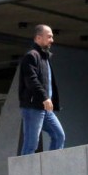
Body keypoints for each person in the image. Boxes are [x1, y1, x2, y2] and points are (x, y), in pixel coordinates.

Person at [18, 24, 65, 155]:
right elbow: (31, 80)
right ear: (38, 38)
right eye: (49, 37)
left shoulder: (45, 58)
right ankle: (25, 174)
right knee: (31, 144)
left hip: (45, 109)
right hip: (33, 107)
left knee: (59, 135)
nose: (52, 40)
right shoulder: (31, 57)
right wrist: (45, 97)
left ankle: (52, 168)